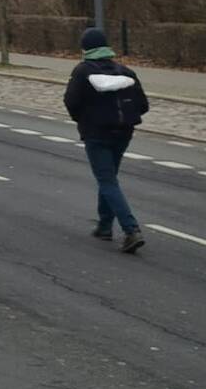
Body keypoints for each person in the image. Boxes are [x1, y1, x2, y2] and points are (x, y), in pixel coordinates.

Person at [64, 27, 150, 253]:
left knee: (107, 181)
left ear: (85, 48)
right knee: (109, 178)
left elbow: (71, 102)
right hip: (123, 133)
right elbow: (143, 105)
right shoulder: (126, 72)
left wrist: (83, 120)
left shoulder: (82, 71)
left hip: (96, 133)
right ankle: (104, 226)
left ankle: (131, 230)